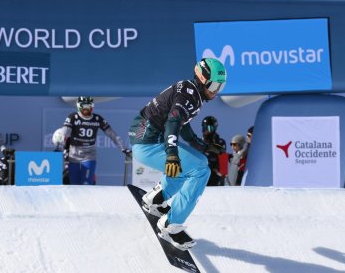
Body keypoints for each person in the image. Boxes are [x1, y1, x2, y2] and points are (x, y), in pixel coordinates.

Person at [128, 58, 227, 250]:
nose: (215, 91)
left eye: (220, 87)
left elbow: (182, 122)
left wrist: (200, 145)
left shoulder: (191, 91)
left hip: (145, 137)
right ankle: (169, 225)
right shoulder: (189, 96)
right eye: (214, 85)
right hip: (147, 144)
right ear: (201, 78)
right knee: (200, 171)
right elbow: (173, 123)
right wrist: (172, 154)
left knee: (198, 161)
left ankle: (156, 199)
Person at [52, 96, 131, 185]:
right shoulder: (73, 117)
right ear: (78, 106)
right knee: (74, 184)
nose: (86, 109)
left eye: (88, 106)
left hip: (89, 156)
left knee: (86, 182)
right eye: (84, 106)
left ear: (92, 106)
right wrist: (59, 146)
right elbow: (64, 133)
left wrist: (123, 148)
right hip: (73, 156)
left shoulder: (97, 119)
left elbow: (111, 134)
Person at [201, 116, 227, 186]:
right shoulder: (199, 142)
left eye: (210, 128)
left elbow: (223, 162)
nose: (206, 131)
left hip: (215, 175)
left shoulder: (220, 142)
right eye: (205, 128)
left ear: (214, 128)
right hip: (202, 174)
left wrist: (222, 176)